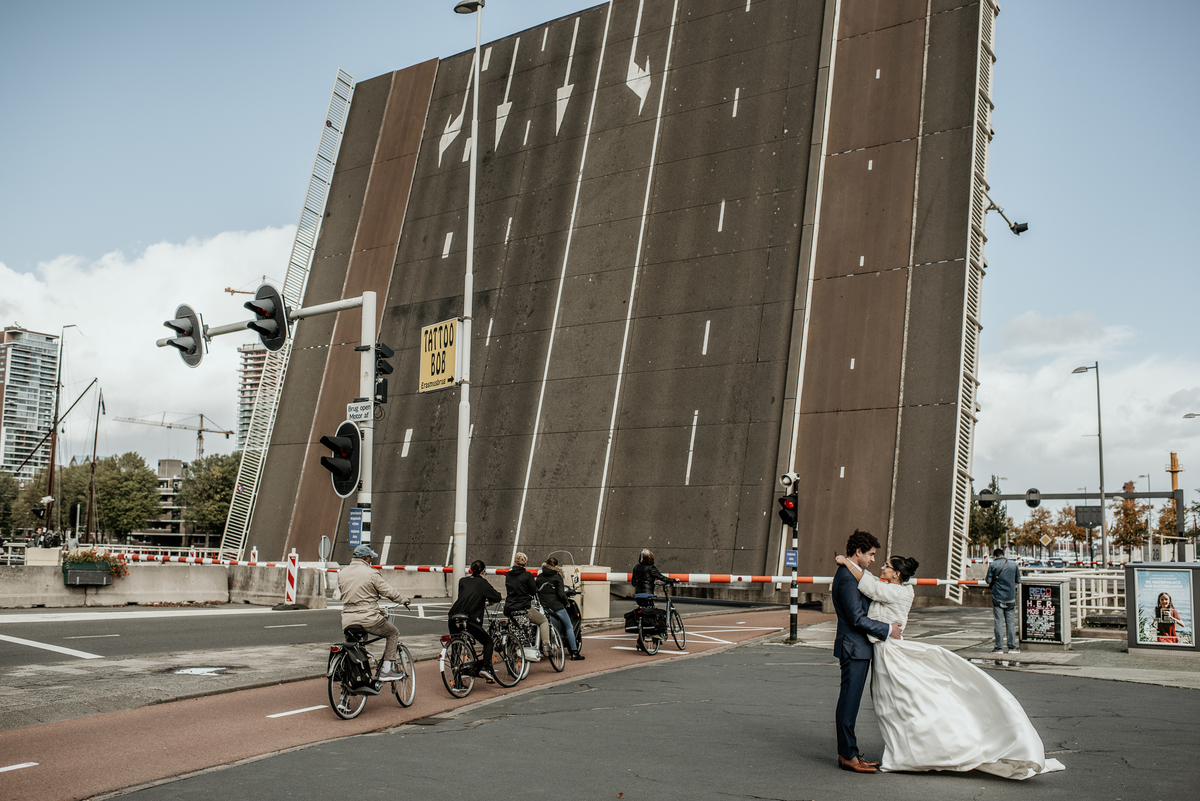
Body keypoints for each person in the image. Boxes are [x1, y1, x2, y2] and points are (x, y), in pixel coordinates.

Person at [835, 550, 1066, 779]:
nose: (880, 567)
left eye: (886, 565)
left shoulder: (895, 591)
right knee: (892, 704)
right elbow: (872, 581)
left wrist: (845, 561)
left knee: (901, 702)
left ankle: (921, 750)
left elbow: (869, 584)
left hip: (891, 652)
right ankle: (905, 750)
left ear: (896, 574)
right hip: (885, 650)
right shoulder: (897, 587)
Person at [831, 530, 901, 774]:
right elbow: (856, 618)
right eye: (870, 554)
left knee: (851, 703)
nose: (873, 559)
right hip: (854, 647)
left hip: (858, 647)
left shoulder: (853, 574)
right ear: (858, 552)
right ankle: (848, 756)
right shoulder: (847, 578)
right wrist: (887, 629)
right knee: (849, 703)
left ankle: (849, 752)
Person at [338, 544, 411, 680]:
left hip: (347, 619)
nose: (371, 560)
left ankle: (360, 675)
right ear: (365, 557)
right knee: (393, 632)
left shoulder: (342, 573)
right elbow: (388, 591)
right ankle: (387, 670)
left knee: (357, 645)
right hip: (368, 617)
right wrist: (403, 600)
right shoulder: (371, 573)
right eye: (370, 557)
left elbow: (341, 594)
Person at [448, 559, 503, 680]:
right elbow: (497, 596)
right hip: (470, 618)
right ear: (483, 571)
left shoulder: (463, 581)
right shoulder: (483, 583)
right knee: (488, 642)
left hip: (453, 615)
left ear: (471, 570)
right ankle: (485, 668)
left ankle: (457, 682)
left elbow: (464, 596)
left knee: (456, 648)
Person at [538, 556, 584, 660]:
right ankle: (574, 652)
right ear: (556, 566)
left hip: (543, 606)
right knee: (568, 626)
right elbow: (561, 594)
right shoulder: (556, 576)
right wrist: (566, 602)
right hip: (555, 606)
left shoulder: (540, 576)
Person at [505, 552, 550, 657]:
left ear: (515, 561)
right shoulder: (527, 575)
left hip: (509, 608)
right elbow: (533, 591)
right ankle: (546, 645)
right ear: (525, 563)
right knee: (543, 620)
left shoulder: (508, 575)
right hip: (523, 607)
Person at [985, 547, 1021, 654]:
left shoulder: (993, 565)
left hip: (997, 597)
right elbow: (1018, 580)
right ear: (1003, 554)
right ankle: (1012, 647)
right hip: (1010, 597)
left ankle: (999, 648)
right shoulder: (1013, 564)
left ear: (995, 556)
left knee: (998, 622)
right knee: (1010, 623)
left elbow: (988, 580)